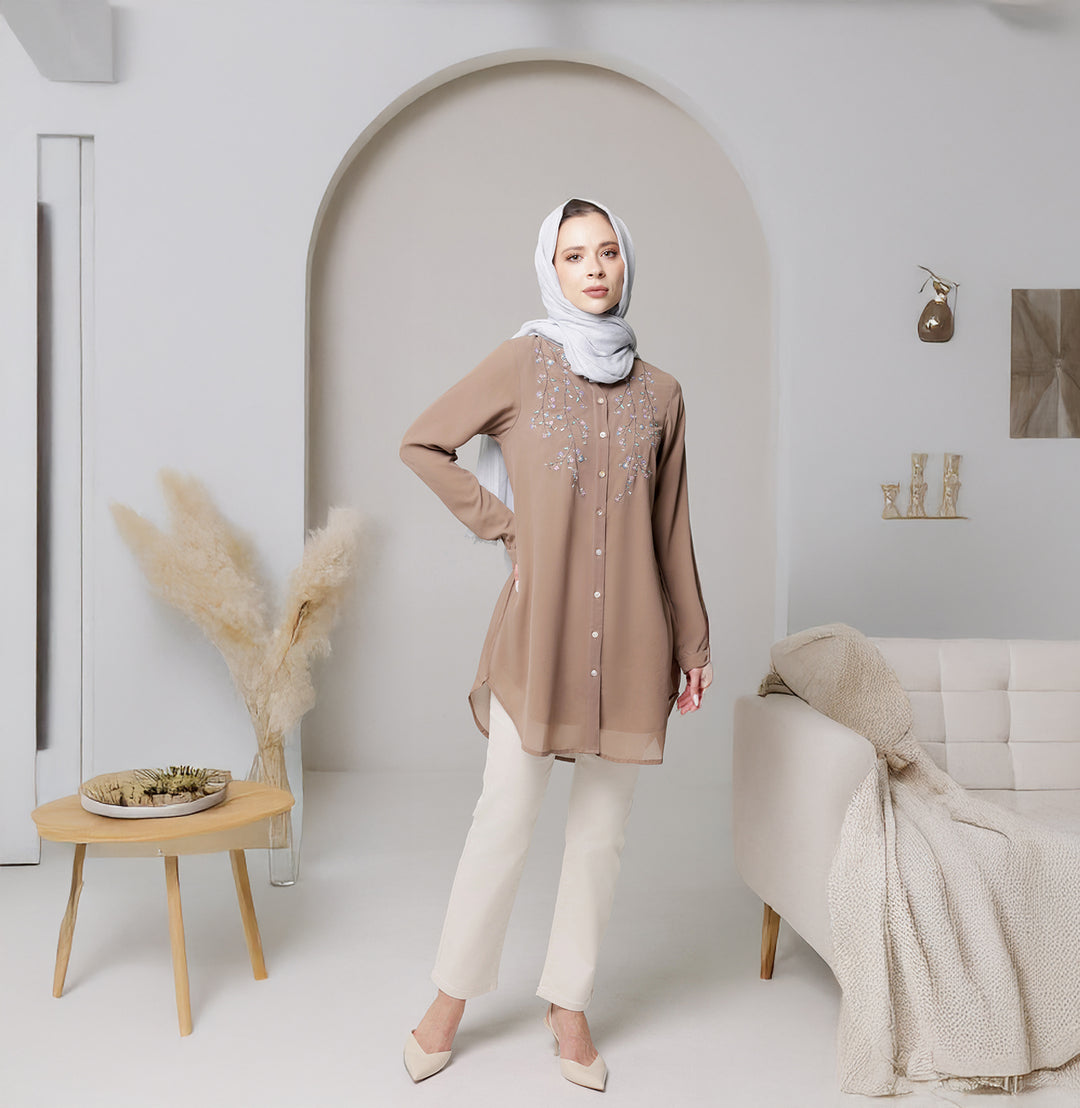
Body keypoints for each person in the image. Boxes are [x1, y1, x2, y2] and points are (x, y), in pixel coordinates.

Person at [398, 197, 713, 1091]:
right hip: (538, 636)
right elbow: (424, 443)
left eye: (608, 251)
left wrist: (693, 639)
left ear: (625, 264)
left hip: (637, 641)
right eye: (576, 254)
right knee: (504, 816)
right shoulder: (522, 364)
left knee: (601, 835)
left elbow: (671, 528)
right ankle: (449, 1000)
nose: (596, 268)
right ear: (553, 267)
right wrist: (505, 525)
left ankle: (568, 1005)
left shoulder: (663, 394)